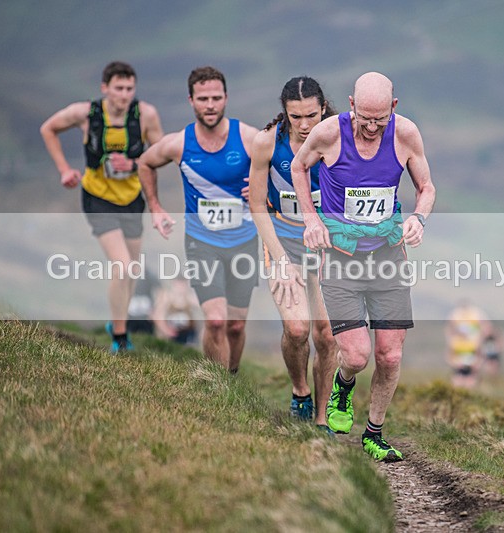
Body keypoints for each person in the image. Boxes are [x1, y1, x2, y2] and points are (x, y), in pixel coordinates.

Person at [291, 72, 436, 462]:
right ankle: (343, 384)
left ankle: (374, 432)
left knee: (389, 355)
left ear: (394, 107)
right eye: (364, 118)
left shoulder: (406, 134)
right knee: (356, 356)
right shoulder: (327, 134)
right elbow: (299, 167)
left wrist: (418, 219)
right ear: (352, 105)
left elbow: (427, 187)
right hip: (341, 257)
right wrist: (311, 220)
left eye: (380, 119)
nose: (372, 127)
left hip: (387, 255)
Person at [139, 66, 260, 372]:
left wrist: (263, 190)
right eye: (203, 98)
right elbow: (145, 163)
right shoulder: (179, 143)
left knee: (234, 325)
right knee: (216, 320)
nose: (210, 105)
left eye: (216, 98)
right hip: (201, 242)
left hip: (244, 241)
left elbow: (282, 166)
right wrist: (155, 206)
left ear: (226, 99)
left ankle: (230, 378)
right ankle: (216, 387)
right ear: (190, 101)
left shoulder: (248, 137)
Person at [40, 61, 163, 353]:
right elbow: (49, 129)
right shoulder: (86, 113)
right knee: (121, 266)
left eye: (129, 89)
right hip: (97, 197)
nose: (124, 95)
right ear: (105, 88)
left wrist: (133, 163)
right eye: (118, 88)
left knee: (131, 270)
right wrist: (64, 170)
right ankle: (120, 336)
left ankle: (116, 322)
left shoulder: (146, 115)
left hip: (132, 198)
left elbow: (160, 152)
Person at [249, 76, 338, 430]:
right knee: (299, 329)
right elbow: (257, 205)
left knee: (328, 335)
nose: (303, 125)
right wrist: (281, 261)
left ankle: (321, 420)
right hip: (283, 242)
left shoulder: (340, 140)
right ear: (284, 113)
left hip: (329, 247)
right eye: (294, 117)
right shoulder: (267, 143)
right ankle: (300, 391)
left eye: (310, 116)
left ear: (323, 109)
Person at [445, 300, 493, 389]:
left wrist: (475, 365)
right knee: (457, 383)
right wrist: (456, 363)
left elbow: (480, 357)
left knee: (470, 383)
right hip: (459, 366)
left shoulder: (476, 342)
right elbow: (449, 356)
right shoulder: (455, 341)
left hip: (472, 366)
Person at [152, 277, 199, 345]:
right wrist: (167, 330)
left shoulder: (190, 297)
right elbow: (157, 317)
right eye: (179, 284)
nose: (181, 288)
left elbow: (204, 307)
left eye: (183, 285)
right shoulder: (166, 298)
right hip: (170, 333)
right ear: (174, 284)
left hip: (186, 334)